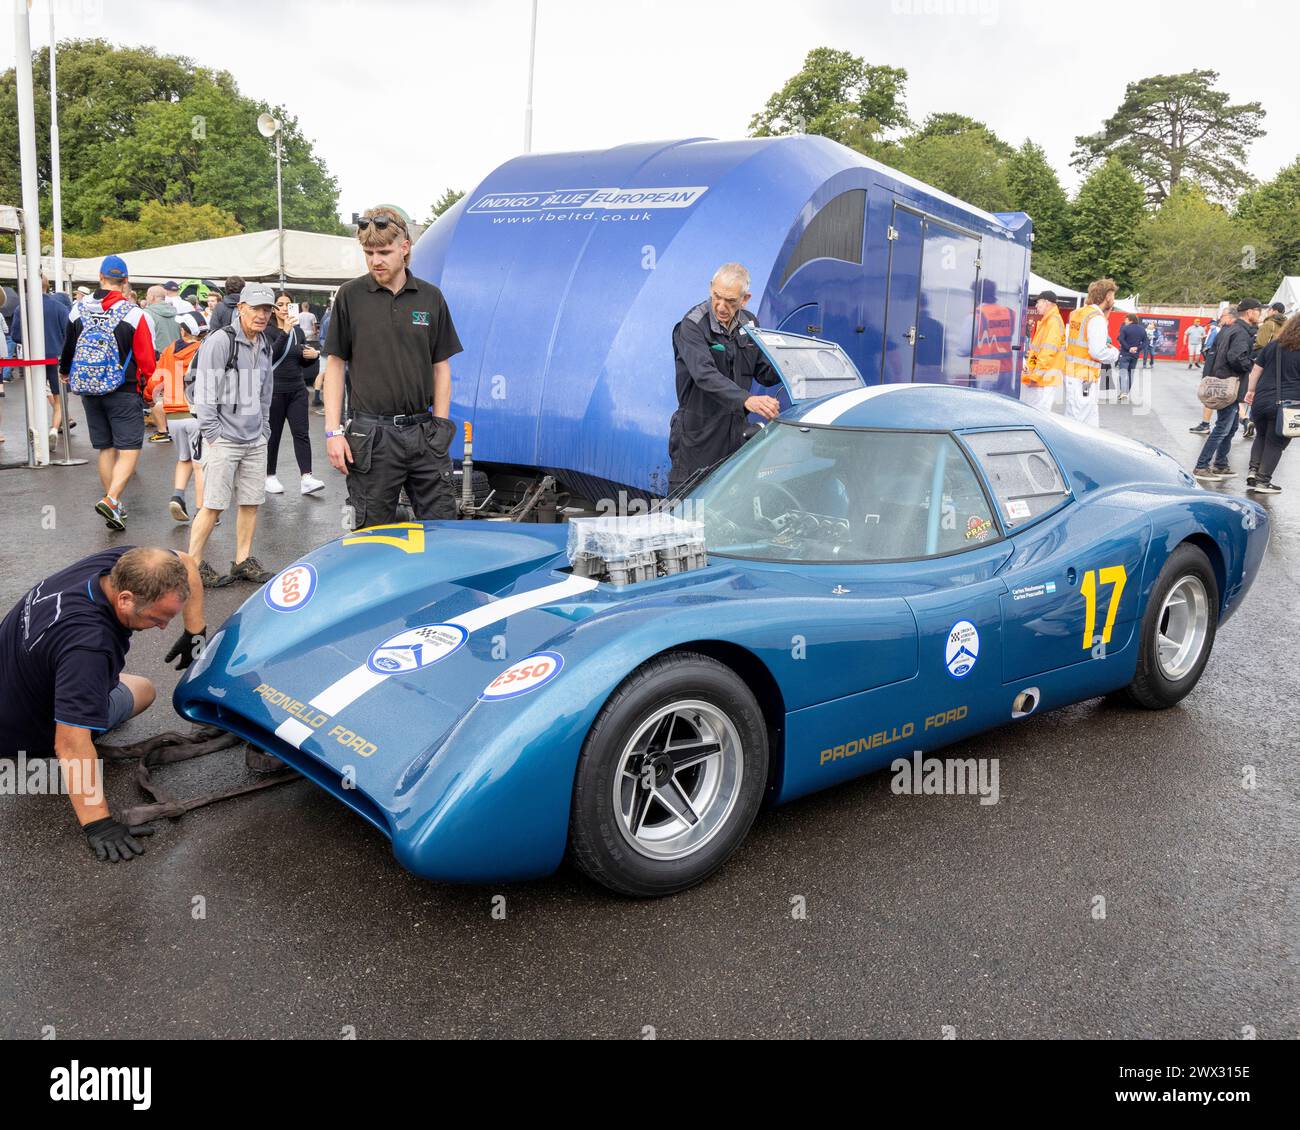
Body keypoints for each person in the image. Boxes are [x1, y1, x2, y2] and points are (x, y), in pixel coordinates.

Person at [0, 545, 206, 861]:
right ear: (125, 599)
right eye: (158, 618)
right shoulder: (89, 647)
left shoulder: (118, 564)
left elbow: (187, 561)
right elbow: (70, 744)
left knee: (91, 677)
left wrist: (195, 631)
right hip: (26, 728)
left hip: (12, 675)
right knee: (144, 689)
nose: (164, 627)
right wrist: (98, 823)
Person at [323, 206, 462, 528]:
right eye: (369, 253)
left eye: (384, 252)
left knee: (444, 527)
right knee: (371, 534)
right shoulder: (350, 296)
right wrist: (333, 432)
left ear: (404, 247)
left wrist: (440, 426)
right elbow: (334, 365)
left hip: (423, 433)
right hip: (371, 435)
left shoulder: (430, 298)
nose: (376, 261)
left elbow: (441, 366)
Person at [187, 282, 277, 587]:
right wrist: (212, 433)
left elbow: (266, 390)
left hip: (254, 438)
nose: (262, 315)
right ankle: (192, 564)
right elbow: (205, 391)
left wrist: (264, 427)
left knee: (251, 503)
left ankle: (241, 561)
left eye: (268, 310)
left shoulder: (264, 342)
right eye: (256, 308)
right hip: (223, 437)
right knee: (212, 505)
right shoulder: (220, 341)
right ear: (240, 308)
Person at [58, 255, 157, 529]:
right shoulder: (135, 314)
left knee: (106, 448)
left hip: (89, 388)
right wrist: (149, 387)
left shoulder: (78, 310)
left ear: (100, 278)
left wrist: (65, 372)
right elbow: (147, 359)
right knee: (130, 448)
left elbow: (68, 347)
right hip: (123, 388)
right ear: (125, 282)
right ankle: (112, 499)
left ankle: (114, 505)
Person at [667, 263, 782, 492]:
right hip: (698, 436)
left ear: (745, 298)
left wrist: (789, 366)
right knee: (688, 510)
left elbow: (763, 371)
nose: (721, 306)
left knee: (727, 509)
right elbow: (704, 375)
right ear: (711, 288)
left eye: (730, 301)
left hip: (734, 436)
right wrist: (747, 400)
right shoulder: (692, 326)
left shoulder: (749, 324)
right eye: (717, 297)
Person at [146, 312, 209, 520]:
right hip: (195, 414)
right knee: (200, 463)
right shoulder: (204, 350)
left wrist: (149, 396)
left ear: (183, 330)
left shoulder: (169, 350)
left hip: (173, 415)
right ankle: (203, 511)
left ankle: (178, 496)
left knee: (184, 459)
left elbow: (156, 381)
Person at [1192, 299, 1261, 481]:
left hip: (1226, 383)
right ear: (1249, 312)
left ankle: (1221, 464)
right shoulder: (1240, 333)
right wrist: (1251, 364)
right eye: (1257, 310)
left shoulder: (1229, 329)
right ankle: (1202, 466)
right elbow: (1236, 357)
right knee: (1223, 427)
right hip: (1231, 384)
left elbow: (1213, 354)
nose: (1259, 314)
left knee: (1230, 427)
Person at [264, 291, 325, 497]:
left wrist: (312, 356)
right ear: (273, 308)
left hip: (297, 389)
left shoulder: (298, 332)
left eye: (288, 304)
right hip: (274, 390)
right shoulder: (268, 330)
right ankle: (269, 475)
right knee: (274, 435)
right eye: (279, 304)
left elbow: (300, 361)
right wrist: (285, 332)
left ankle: (306, 477)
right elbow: (270, 356)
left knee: (301, 433)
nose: (283, 308)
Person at [9, 274, 72, 447]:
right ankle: (53, 429)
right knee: (59, 399)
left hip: (32, 360)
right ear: (47, 286)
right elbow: (68, 334)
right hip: (55, 358)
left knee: (34, 398)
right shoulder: (59, 307)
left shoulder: (22, 308)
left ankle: (36, 433)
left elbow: (15, 335)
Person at [1242, 313, 1300, 494]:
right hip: (1288, 403)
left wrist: (1250, 391)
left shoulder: (1273, 345)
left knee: (1261, 435)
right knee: (1276, 442)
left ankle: (1253, 470)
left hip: (1261, 399)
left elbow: (1255, 372)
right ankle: (1263, 481)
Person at [1061, 279, 1119, 428]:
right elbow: (1097, 352)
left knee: (1083, 421)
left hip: (1074, 375)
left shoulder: (1079, 313)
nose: (1113, 299)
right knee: (1080, 425)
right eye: (1113, 295)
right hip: (1084, 379)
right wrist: (1114, 353)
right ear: (1107, 296)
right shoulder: (1096, 318)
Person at [1020, 290, 1065, 412]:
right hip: (1041, 380)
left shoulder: (1053, 322)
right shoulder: (1049, 321)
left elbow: (1047, 353)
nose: (1036, 306)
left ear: (1046, 302)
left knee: (1038, 415)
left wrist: (1035, 376)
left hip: (1043, 381)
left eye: (1038, 302)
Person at [143, 284, 181, 356]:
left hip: (158, 357)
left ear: (152, 297)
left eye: (147, 295)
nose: (146, 298)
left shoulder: (146, 313)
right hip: (176, 355)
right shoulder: (175, 311)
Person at [1115, 313, 1145, 403]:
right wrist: (1137, 348)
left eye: (1126, 319)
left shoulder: (1125, 328)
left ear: (1130, 320)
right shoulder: (1142, 330)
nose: (1125, 321)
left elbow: (1121, 339)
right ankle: (1126, 392)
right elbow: (1145, 342)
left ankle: (1123, 392)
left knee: (1123, 372)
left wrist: (1128, 348)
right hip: (1135, 355)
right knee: (1130, 373)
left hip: (1125, 353)